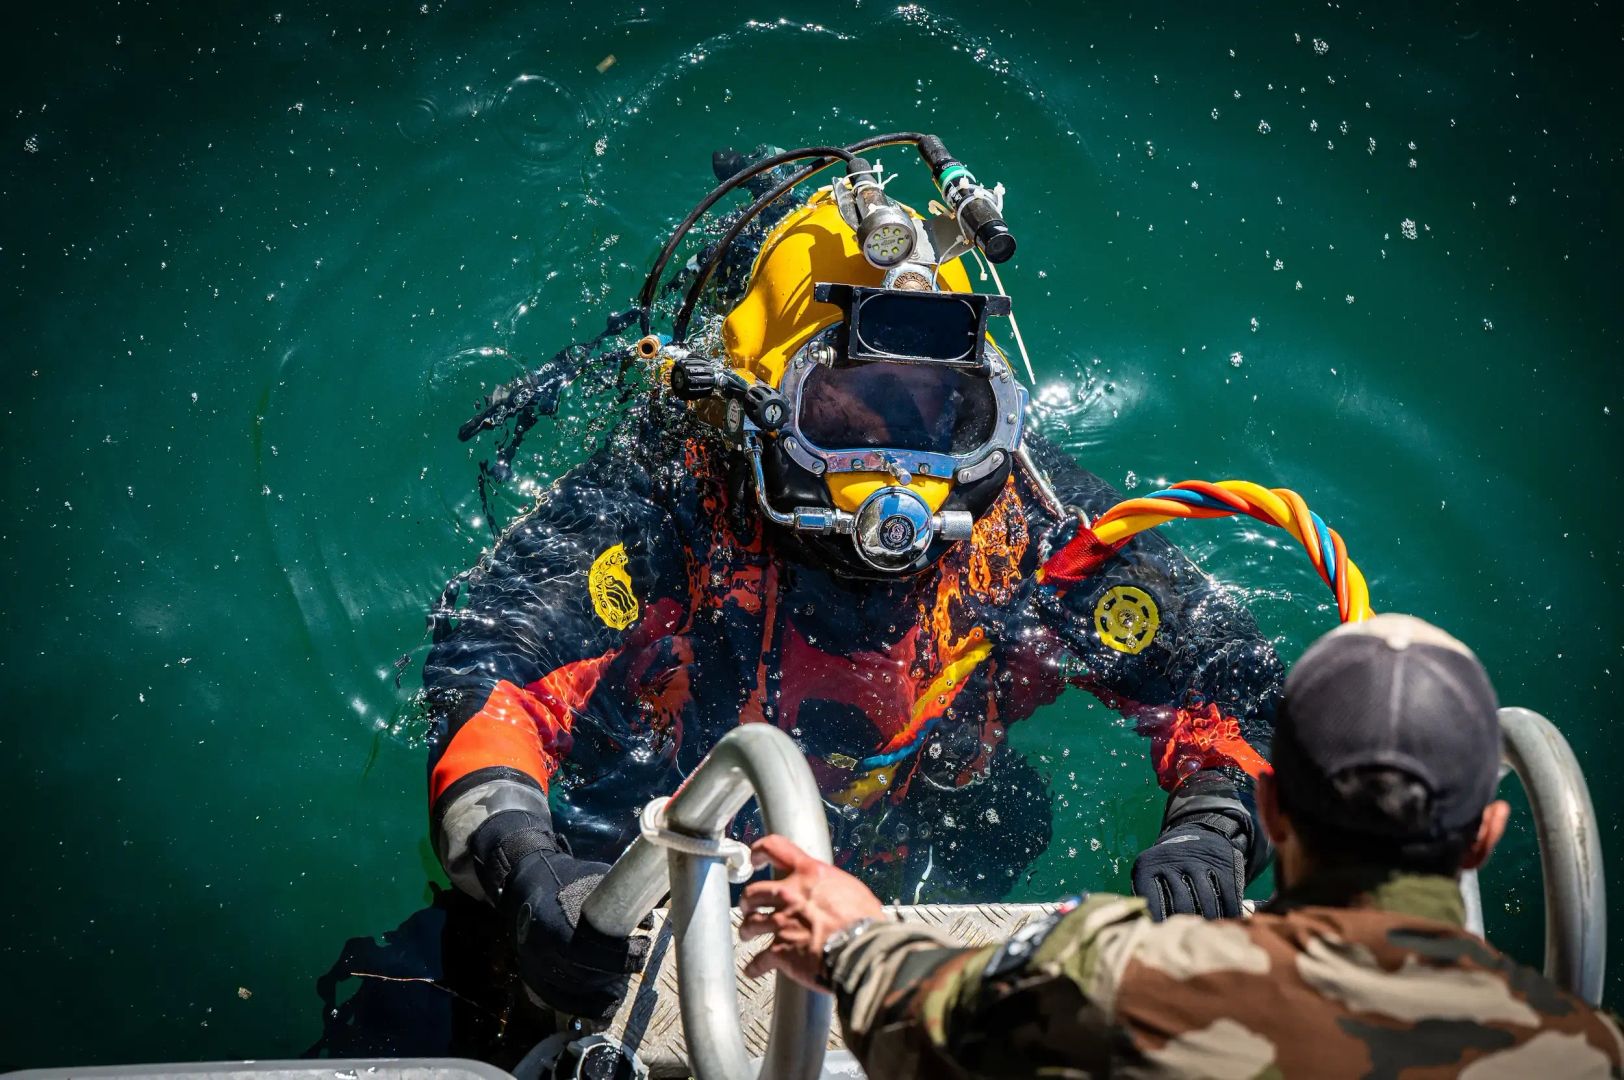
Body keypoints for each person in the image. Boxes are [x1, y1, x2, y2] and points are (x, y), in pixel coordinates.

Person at [420, 150, 1284, 1023]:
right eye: (842, 411)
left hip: (907, 819)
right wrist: (524, 862)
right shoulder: (671, 493)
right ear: (754, 401)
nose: (897, 470)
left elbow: (1234, 683)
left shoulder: (1027, 517)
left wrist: (1213, 825)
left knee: (1010, 819)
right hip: (651, 815)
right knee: (502, 971)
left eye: (930, 411)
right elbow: (491, 665)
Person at [740, 612, 1624, 1077]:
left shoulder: (1118, 980)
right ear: (1485, 836)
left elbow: (921, 1025)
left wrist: (848, 938)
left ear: (1272, 804)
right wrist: (1210, 814)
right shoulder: (1590, 1052)